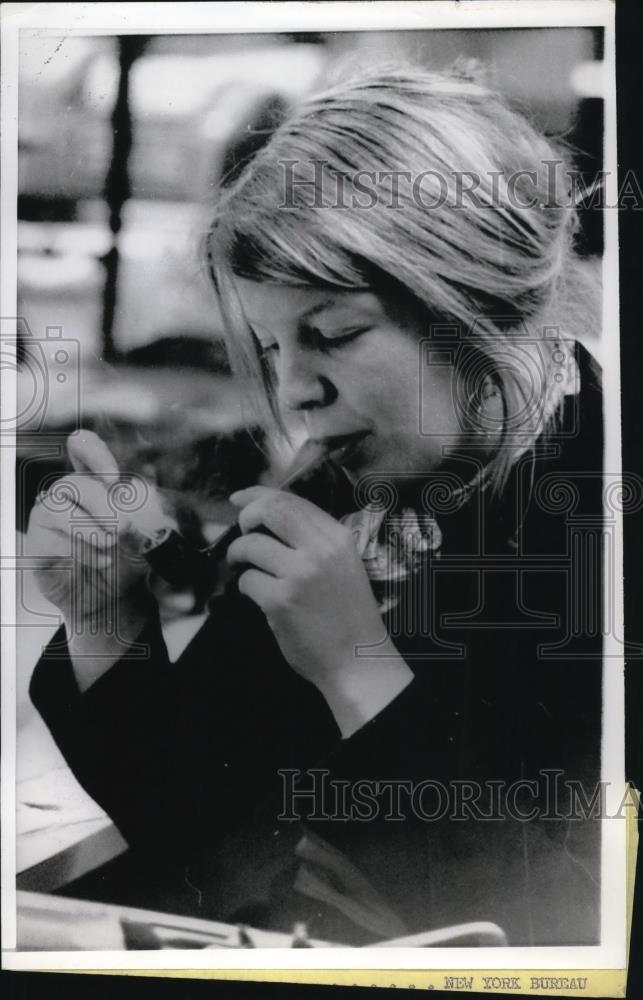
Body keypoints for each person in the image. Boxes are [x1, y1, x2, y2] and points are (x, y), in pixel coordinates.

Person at [27, 64, 603, 946]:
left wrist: (358, 669)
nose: (294, 392)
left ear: (474, 304)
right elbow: (199, 831)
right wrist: (110, 623)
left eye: (332, 334)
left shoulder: (599, 510)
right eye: (269, 346)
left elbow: (569, 927)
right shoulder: (339, 488)